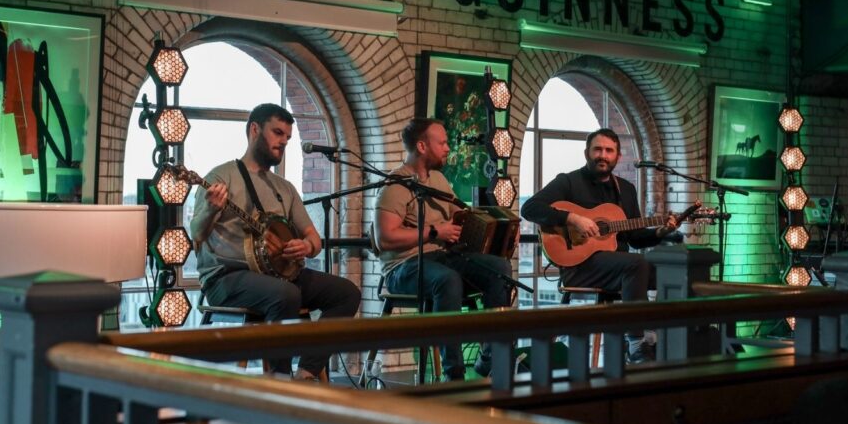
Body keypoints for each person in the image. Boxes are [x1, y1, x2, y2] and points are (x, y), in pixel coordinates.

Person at [190, 103, 361, 381]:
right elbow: (197, 234)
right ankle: (280, 380)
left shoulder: (285, 188)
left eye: (287, 138)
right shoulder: (220, 177)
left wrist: (306, 247)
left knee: (347, 292)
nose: (283, 142)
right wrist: (210, 210)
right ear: (254, 130)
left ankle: (306, 371)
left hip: (278, 277)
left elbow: (313, 239)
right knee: (285, 294)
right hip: (227, 278)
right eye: (277, 133)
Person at [520, 128, 677, 363]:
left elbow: (634, 236)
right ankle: (636, 343)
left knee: (671, 271)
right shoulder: (568, 181)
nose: (602, 155)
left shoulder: (626, 189)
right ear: (587, 153)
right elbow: (529, 208)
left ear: (618, 157)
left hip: (618, 267)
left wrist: (659, 232)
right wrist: (572, 218)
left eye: (609, 150)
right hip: (579, 267)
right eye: (597, 149)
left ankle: (660, 339)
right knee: (636, 264)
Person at [374, 117, 513, 381]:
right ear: (422, 146)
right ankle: (454, 373)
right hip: (403, 267)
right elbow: (386, 239)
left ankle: (491, 359)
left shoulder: (437, 179)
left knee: (499, 268)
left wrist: (495, 230)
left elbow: (458, 215)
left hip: (441, 259)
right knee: (447, 280)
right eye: (443, 142)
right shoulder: (396, 185)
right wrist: (435, 232)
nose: (448, 148)